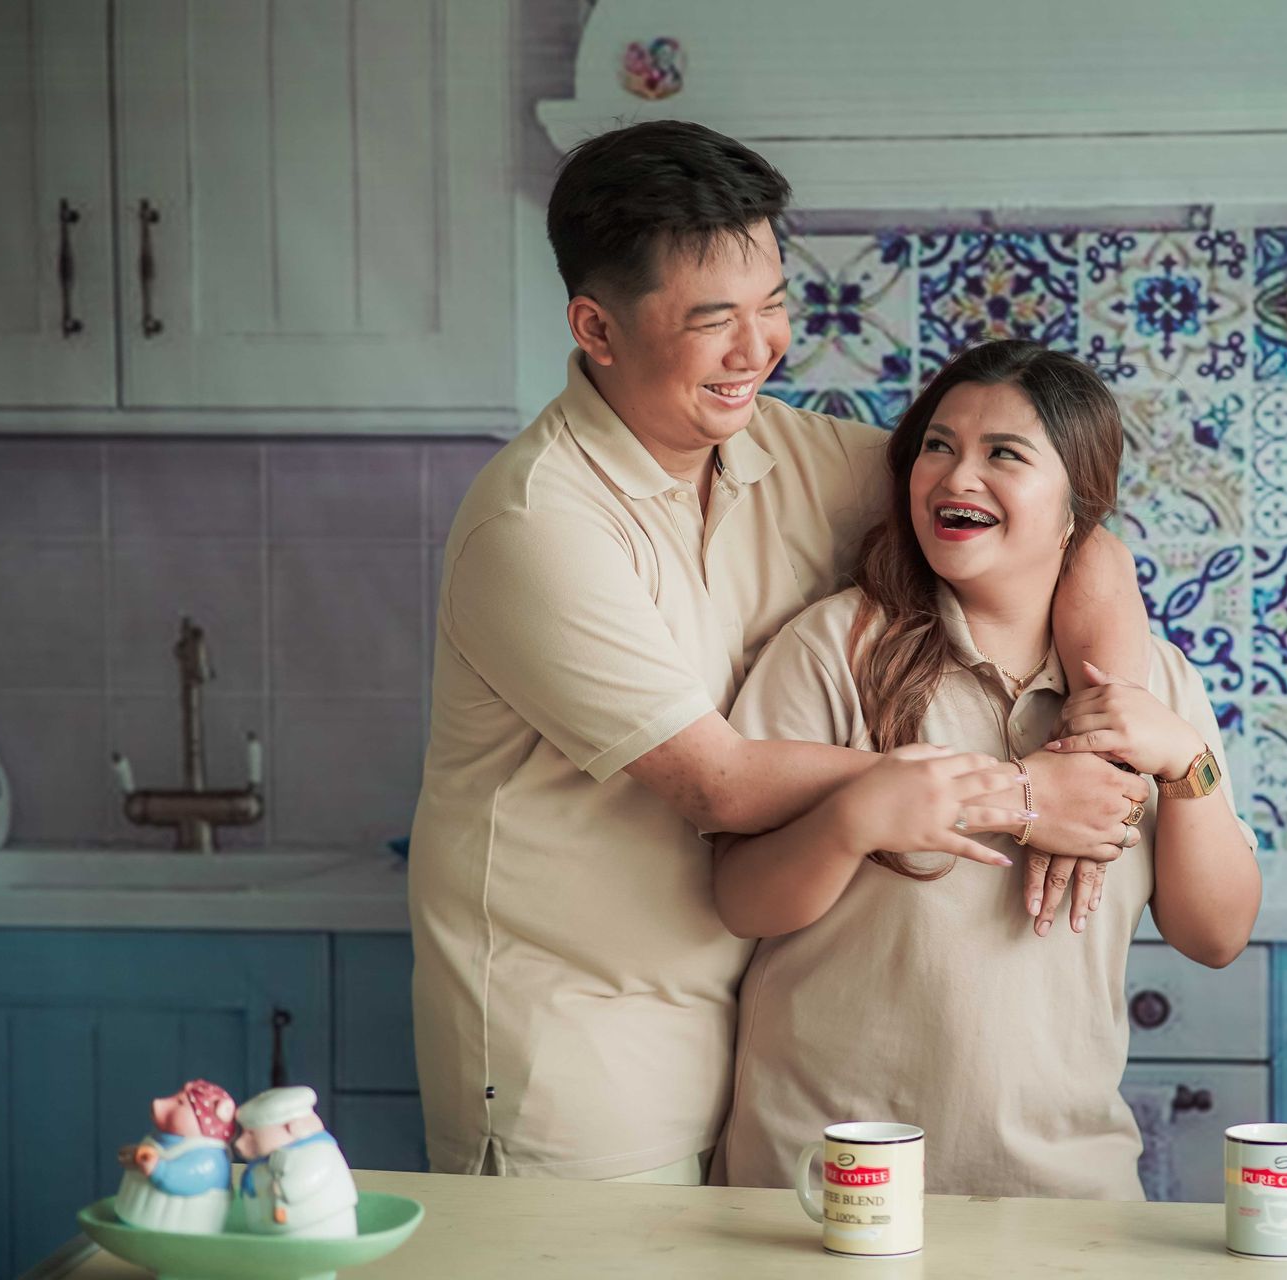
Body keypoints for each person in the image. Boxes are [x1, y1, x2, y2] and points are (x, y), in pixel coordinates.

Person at [408, 121, 1152, 1185]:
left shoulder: (786, 450)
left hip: (748, 1024)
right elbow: (715, 781)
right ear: (596, 328)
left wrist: (1106, 732)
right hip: (576, 1047)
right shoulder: (537, 522)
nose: (757, 348)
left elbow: (1063, 526)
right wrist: (1022, 795)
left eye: (772, 305)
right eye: (714, 320)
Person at [711, 339, 1262, 1200]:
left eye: (1004, 453)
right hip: (832, 1177)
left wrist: (1186, 764)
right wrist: (858, 816)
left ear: (1078, 507)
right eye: (938, 446)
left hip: (1068, 1188)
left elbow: (1215, 936)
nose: (956, 476)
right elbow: (741, 900)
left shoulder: (1159, 683)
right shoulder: (833, 649)